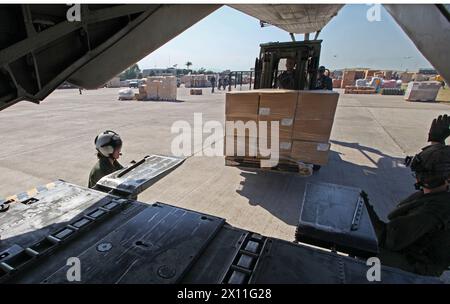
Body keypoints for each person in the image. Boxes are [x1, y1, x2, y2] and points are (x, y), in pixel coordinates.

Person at [363, 114, 450, 276]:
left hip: (420, 264)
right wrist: (436, 142)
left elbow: (387, 238)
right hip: (419, 247)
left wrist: (363, 205)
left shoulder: (433, 210)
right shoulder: (441, 193)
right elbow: (438, 164)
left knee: (367, 253)